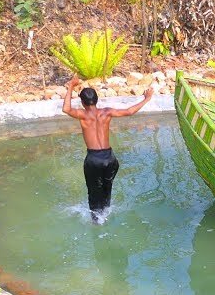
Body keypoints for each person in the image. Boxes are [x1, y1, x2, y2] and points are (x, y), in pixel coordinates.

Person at [62, 77, 154, 224]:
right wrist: (147, 98)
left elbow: (66, 109)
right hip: (109, 158)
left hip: (93, 159)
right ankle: (105, 213)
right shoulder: (106, 112)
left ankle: (96, 222)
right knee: (107, 187)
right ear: (97, 100)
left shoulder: (83, 115)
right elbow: (130, 111)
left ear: (82, 102)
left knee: (93, 191)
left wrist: (71, 86)